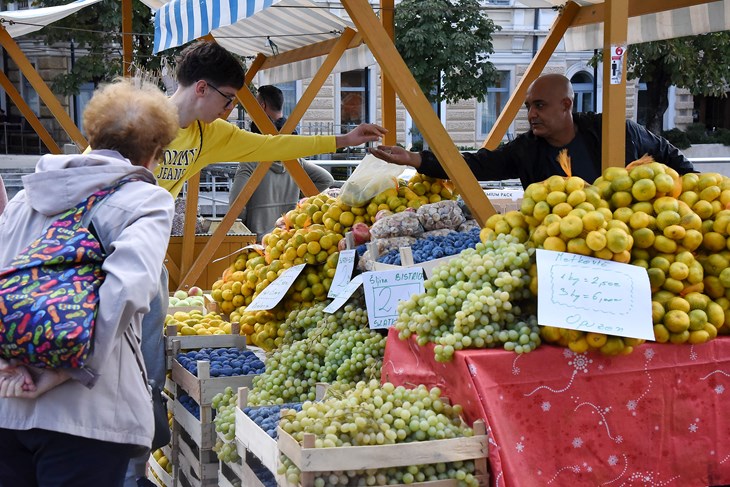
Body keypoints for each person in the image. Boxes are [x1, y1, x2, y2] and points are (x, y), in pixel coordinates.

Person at [0, 79, 178, 486]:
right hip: (90, 418)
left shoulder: (27, 197)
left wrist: (7, 364)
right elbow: (129, 290)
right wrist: (69, 369)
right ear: (156, 153)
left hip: (7, 407)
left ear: (91, 134)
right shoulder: (145, 200)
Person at [371, 73, 695, 189]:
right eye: (529, 107)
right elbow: (477, 166)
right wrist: (415, 159)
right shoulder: (526, 149)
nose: (531, 114)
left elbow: (673, 160)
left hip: (622, 247)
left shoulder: (616, 132)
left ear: (566, 105)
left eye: (539, 105)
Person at [158, 40, 385, 198]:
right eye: (228, 98)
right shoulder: (138, 122)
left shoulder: (210, 133)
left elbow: (274, 145)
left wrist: (344, 139)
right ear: (202, 88)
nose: (228, 109)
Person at [229, 85, 334, 239]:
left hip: (258, 239)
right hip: (287, 236)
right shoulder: (293, 157)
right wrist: (297, 205)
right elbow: (326, 179)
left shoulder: (251, 160)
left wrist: (246, 225)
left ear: (261, 106)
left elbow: (235, 204)